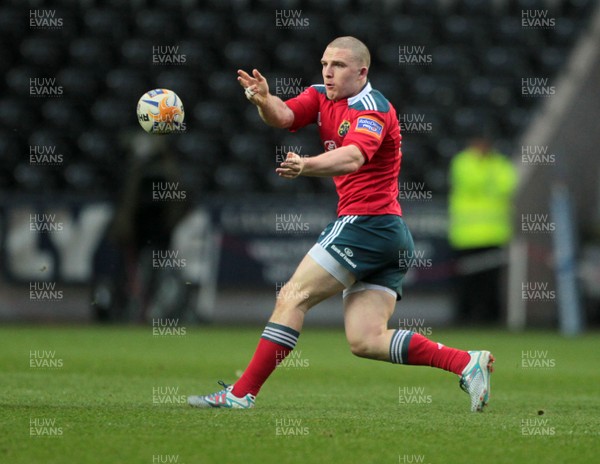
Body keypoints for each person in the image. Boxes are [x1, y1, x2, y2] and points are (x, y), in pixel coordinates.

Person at [188, 37, 494, 412]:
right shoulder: (320, 96)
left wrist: (306, 165)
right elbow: (284, 116)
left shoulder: (373, 108)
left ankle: (241, 393)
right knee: (366, 340)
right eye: (324, 63)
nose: (328, 72)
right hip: (390, 234)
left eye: (338, 66)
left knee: (292, 298)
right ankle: (464, 361)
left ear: (362, 71)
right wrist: (264, 100)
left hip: (365, 224)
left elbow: (352, 157)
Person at [448, 138, 518, 323]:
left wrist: (487, 180)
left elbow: (508, 186)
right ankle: (464, 318)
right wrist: (490, 180)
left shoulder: (501, 163)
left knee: (491, 283)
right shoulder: (462, 162)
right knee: (467, 282)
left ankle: (491, 319)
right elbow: (471, 182)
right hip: (466, 236)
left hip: (494, 234)